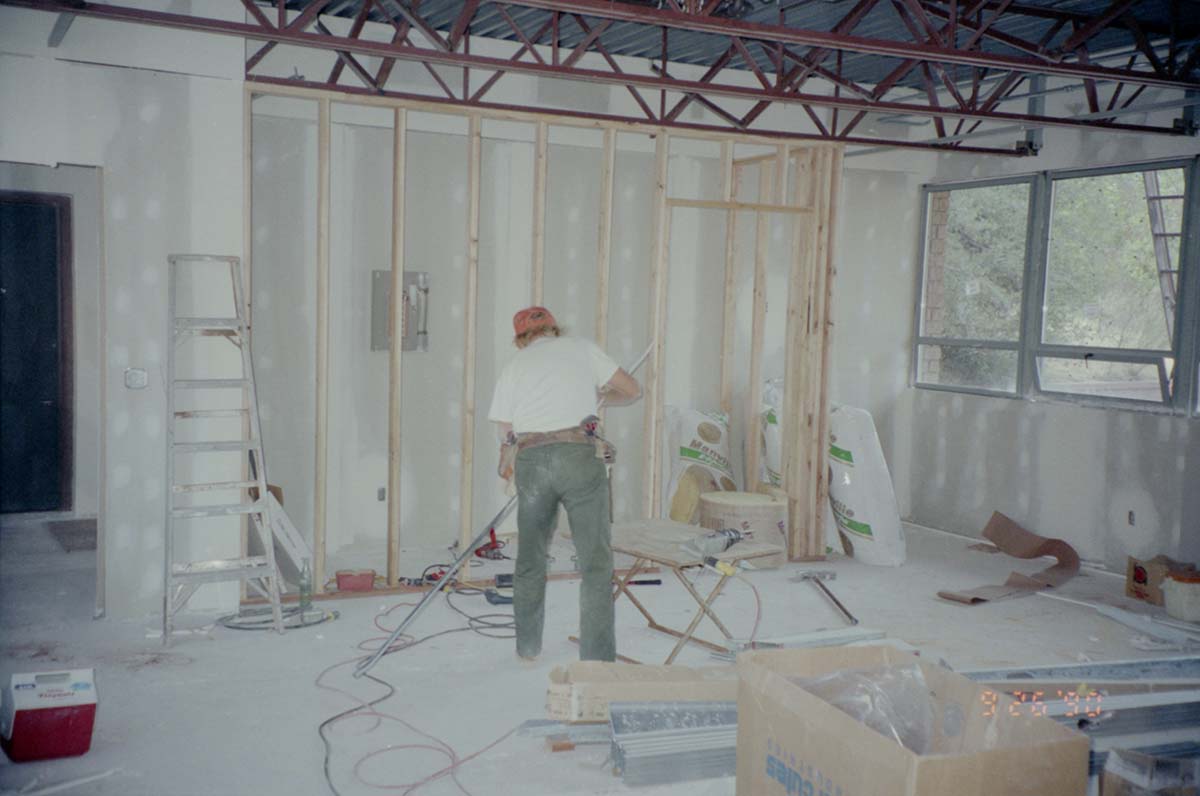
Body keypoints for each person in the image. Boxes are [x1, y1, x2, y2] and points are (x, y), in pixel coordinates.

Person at [487, 306, 641, 662]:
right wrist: (603, 397)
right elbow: (633, 390)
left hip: (534, 461)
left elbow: (506, 431)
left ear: (521, 338)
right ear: (555, 329)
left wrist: (509, 462)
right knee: (595, 563)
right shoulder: (582, 348)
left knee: (530, 560)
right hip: (578, 456)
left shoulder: (515, 366)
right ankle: (598, 660)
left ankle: (527, 650)